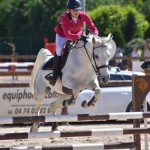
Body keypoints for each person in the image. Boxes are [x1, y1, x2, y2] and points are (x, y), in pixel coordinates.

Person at [45, 0, 99, 86]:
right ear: (69, 10)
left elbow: (93, 27)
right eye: (74, 10)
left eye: (78, 9)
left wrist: (95, 34)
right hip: (62, 35)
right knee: (59, 50)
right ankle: (54, 76)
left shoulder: (84, 15)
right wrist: (79, 37)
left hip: (78, 33)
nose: (76, 12)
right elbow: (68, 34)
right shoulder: (64, 17)